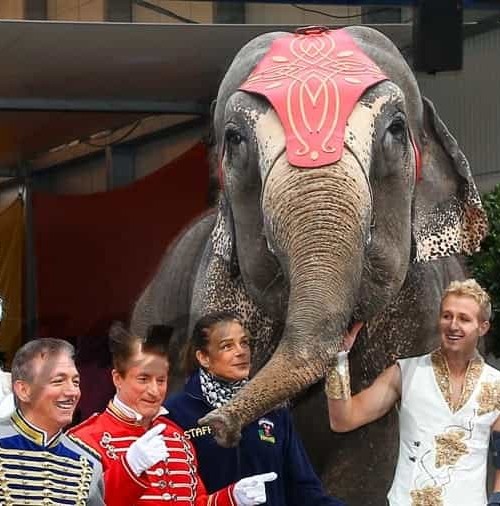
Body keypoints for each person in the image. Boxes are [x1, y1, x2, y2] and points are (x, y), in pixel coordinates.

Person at [326, 279, 500, 506]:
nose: (453, 325)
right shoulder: (405, 372)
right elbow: (343, 419)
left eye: (464, 319)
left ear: (483, 327)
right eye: (447, 316)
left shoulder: (496, 385)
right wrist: (338, 359)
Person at [70, 322, 276, 506]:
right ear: (118, 379)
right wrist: (128, 468)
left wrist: (231, 497)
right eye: (143, 379)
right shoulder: (84, 441)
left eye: (161, 380)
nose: (154, 391)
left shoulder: (176, 436)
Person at [165, 311, 346, 506]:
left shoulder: (273, 408)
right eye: (227, 346)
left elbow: (304, 489)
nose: (241, 352)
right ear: (203, 357)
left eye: (244, 343)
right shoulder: (176, 412)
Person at [0, 338, 105, 505]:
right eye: (58, 381)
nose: (72, 392)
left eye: (75, 382)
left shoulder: (88, 463)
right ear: (24, 390)